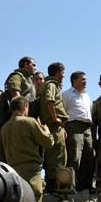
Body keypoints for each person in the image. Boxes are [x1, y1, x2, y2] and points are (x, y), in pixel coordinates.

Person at [1, 96, 54, 202]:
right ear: (25, 107)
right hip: (31, 173)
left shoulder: (4, 128)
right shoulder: (29, 122)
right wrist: (47, 131)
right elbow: (48, 143)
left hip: (13, 173)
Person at [39, 62, 69, 193]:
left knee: (57, 156)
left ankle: (54, 185)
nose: (64, 75)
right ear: (59, 72)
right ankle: (56, 188)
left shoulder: (50, 85)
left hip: (56, 126)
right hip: (53, 125)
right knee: (58, 157)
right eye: (63, 72)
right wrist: (55, 118)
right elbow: (49, 101)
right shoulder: (51, 85)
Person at [62, 71, 95, 191]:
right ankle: (69, 185)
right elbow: (62, 112)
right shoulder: (67, 94)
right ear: (74, 80)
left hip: (87, 128)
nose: (85, 81)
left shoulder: (86, 96)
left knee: (89, 156)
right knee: (74, 156)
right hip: (73, 126)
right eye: (82, 79)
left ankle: (85, 185)